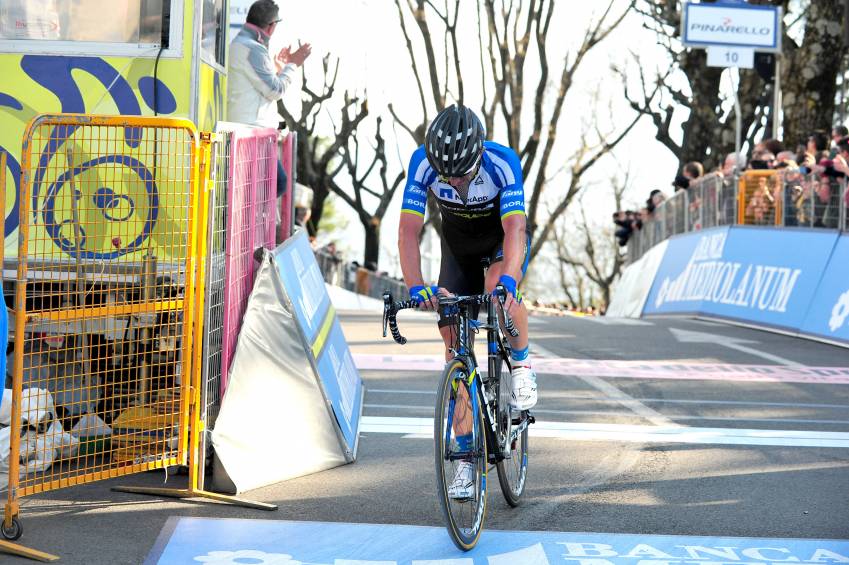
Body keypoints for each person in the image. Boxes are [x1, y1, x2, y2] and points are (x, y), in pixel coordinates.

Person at [398, 105, 536, 499]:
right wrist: (416, 285)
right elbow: (409, 232)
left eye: (462, 173)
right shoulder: (422, 164)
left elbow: (515, 228)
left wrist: (509, 277)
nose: (455, 181)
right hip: (457, 252)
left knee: (498, 285)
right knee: (454, 349)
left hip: (500, 245)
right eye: (448, 175)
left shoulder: (502, 162)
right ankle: (463, 461)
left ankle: (522, 363)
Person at [227, 0, 311, 198]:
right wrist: (292, 65)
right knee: (277, 183)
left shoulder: (241, 43)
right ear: (272, 26)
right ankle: (259, 222)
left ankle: (257, 221)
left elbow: (260, 85)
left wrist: (279, 69)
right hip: (252, 133)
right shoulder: (253, 48)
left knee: (251, 189)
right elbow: (275, 90)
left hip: (244, 131)